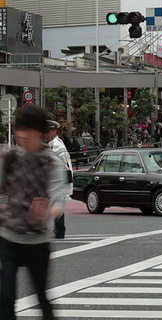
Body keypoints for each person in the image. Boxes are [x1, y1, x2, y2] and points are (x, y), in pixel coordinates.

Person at [0, 105, 67, 320]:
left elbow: (58, 201)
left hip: (38, 241)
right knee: (5, 296)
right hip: (8, 237)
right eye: (19, 129)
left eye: (27, 130)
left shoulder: (52, 162)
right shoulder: (10, 159)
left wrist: (47, 212)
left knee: (41, 296)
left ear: (39, 132)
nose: (21, 135)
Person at [46, 120, 72, 239]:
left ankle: (59, 231)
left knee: (56, 204)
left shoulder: (57, 145)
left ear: (54, 131)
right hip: (56, 181)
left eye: (48, 131)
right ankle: (57, 230)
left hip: (57, 181)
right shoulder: (53, 144)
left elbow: (64, 165)